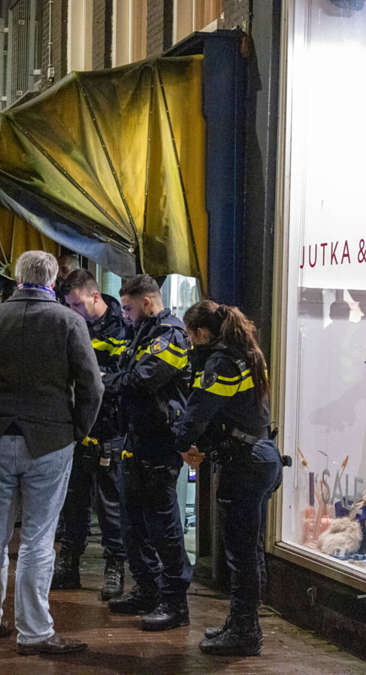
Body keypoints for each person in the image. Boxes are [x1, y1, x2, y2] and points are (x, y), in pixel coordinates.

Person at [0, 251, 102, 655]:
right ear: (53, 281)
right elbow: (92, 386)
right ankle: (34, 631)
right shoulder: (69, 322)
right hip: (51, 441)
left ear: (18, 278)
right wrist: (75, 430)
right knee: (39, 538)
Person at [174, 300, 284, 656]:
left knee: (241, 554)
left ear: (202, 332)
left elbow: (199, 411)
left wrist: (180, 443)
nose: (191, 344)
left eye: (191, 338)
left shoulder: (221, 362)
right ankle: (242, 621)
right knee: (248, 550)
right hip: (259, 459)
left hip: (244, 465)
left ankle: (245, 630)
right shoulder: (245, 353)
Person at [102, 274, 193, 631]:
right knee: (132, 523)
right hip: (135, 439)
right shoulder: (141, 333)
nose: (124, 315)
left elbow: (142, 379)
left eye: (128, 308)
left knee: (164, 527)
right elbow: (129, 373)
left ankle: (175, 602)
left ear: (148, 302)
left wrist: (103, 381)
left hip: (159, 442)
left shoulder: (170, 335)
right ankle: (147, 588)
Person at [53, 268, 127, 600]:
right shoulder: (70, 326)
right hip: (77, 429)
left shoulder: (121, 328)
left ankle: (115, 568)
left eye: (77, 304)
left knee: (110, 505)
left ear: (94, 296)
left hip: (110, 427)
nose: (73, 311)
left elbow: (124, 377)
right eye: (68, 305)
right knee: (73, 503)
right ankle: (68, 566)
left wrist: (99, 378)